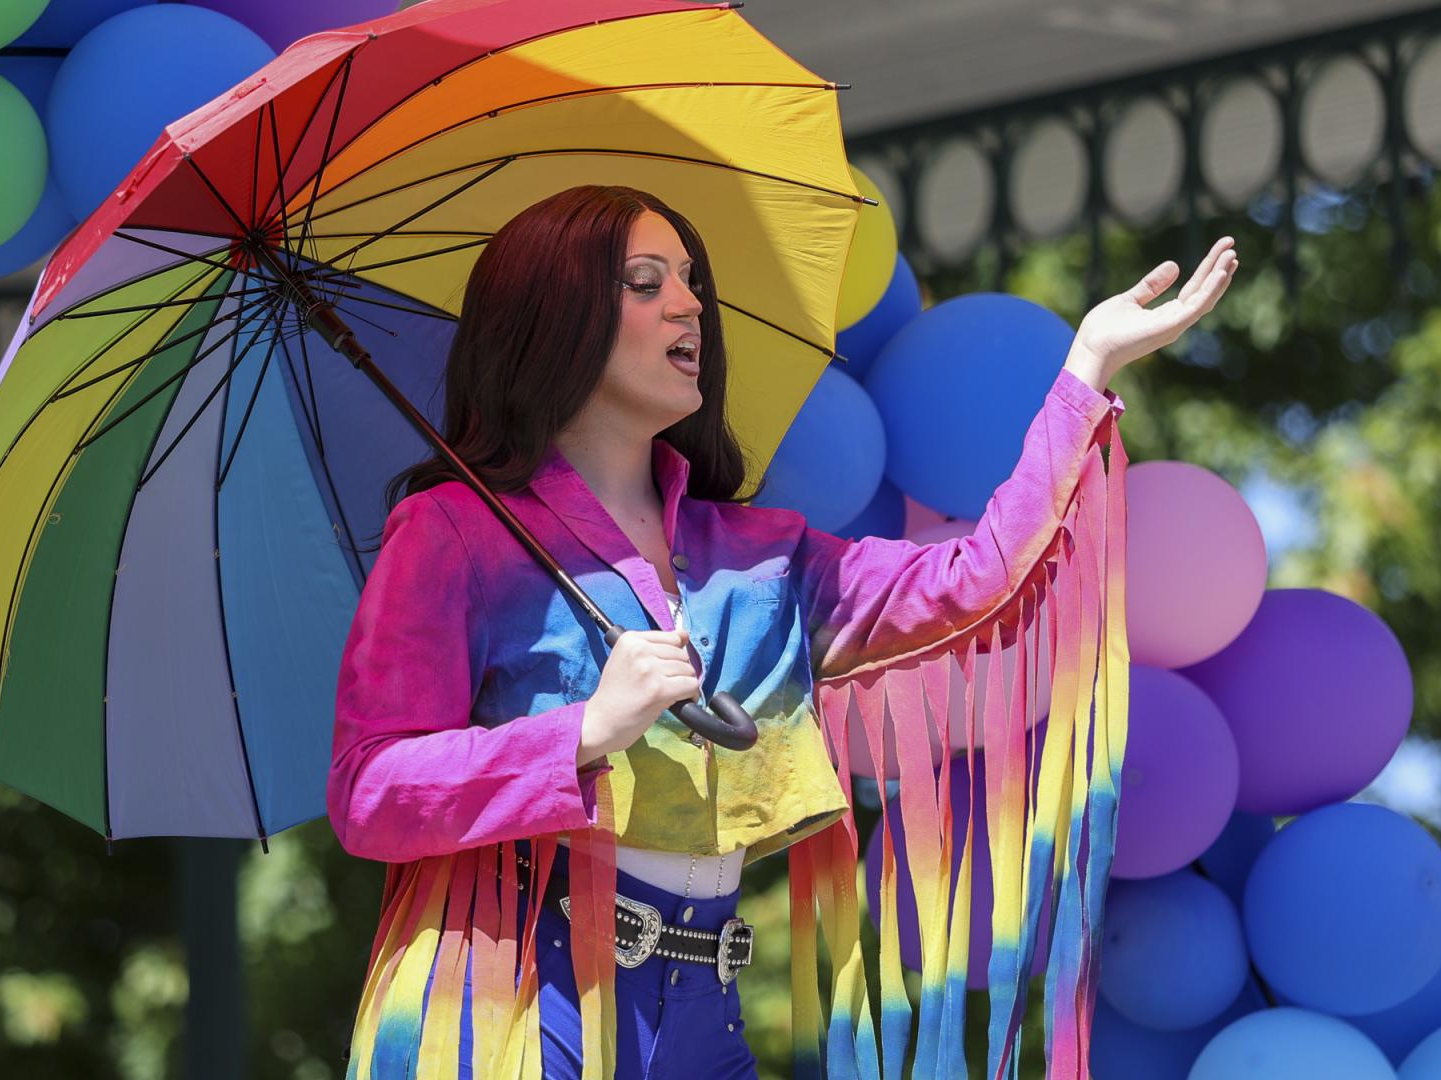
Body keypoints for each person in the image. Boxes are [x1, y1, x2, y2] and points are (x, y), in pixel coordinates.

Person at [328, 184, 1236, 1079]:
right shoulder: (453, 532)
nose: (689, 303)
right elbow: (367, 792)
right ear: (553, 318)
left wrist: (1085, 370)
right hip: (528, 1012)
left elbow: (976, 581)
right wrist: (582, 735)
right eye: (644, 283)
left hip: (706, 1011)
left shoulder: (756, 554)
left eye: (688, 278)